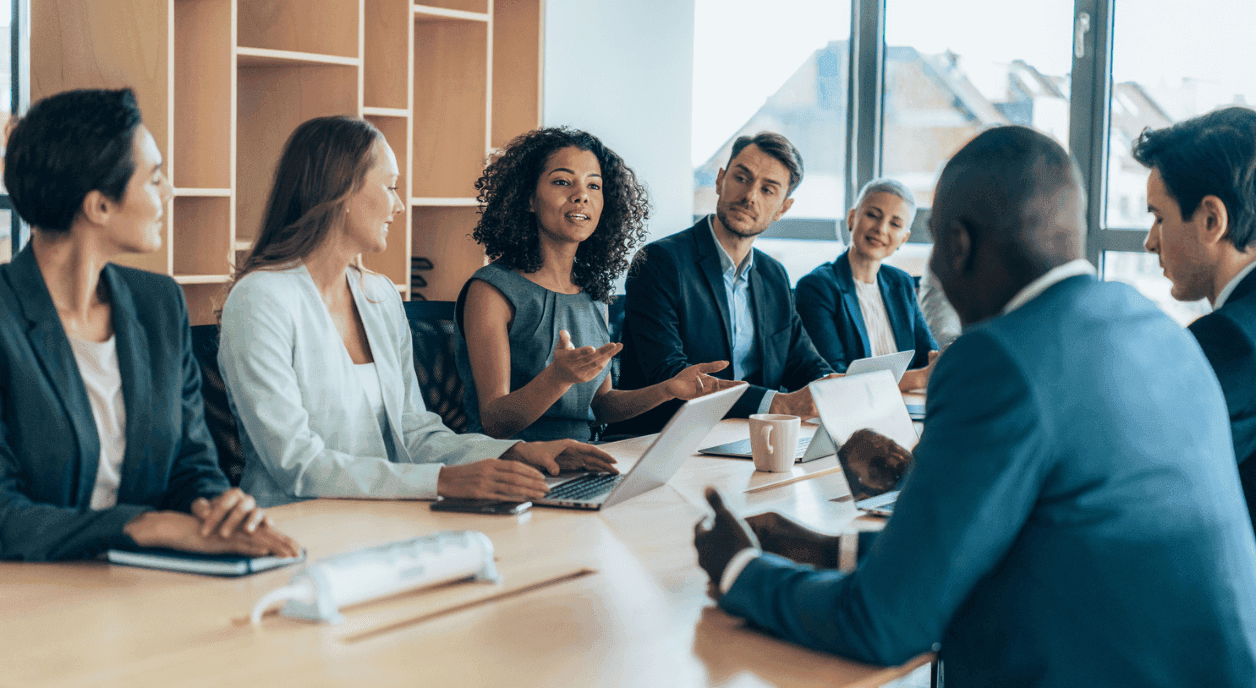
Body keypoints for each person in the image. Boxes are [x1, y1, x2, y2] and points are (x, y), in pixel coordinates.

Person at [694, 126, 1256, 685]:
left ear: (958, 246)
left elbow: (884, 623)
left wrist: (739, 569)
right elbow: (1032, 540)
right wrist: (825, 548)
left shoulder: (997, 358)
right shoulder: (1158, 330)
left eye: (935, 241)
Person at [218, 117, 618, 508]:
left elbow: (414, 432)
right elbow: (296, 463)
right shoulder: (261, 299)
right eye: (390, 187)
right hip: (298, 524)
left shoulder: (378, 295)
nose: (399, 205)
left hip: (386, 513)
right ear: (340, 192)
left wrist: (515, 452)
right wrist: (443, 481)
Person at [0, 88, 298, 561]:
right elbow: (5, 516)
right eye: (155, 178)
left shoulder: (158, 305)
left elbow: (191, 465)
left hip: (143, 588)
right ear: (99, 206)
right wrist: (148, 526)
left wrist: (219, 508)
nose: (170, 191)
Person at [456, 127, 739, 441]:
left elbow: (600, 406)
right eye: (562, 181)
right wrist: (557, 378)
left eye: (594, 185)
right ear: (528, 198)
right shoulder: (490, 291)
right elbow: (495, 421)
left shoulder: (593, 293)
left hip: (582, 460)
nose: (582, 195)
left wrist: (668, 389)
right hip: (512, 467)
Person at [617, 132, 834, 434]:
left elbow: (804, 363)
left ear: (782, 208)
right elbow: (669, 374)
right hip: (666, 438)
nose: (750, 196)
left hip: (750, 439)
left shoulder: (774, 276)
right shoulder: (660, 262)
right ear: (720, 181)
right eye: (742, 178)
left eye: (768, 190)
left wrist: (833, 387)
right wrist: (778, 404)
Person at [1136, 106, 1256, 532]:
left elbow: (1142, 474)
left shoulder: (1232, 340)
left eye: (1159, 217)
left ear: (1211, 220)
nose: (1151, 242)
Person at [796, 178, 938, 391]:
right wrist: (918, 379)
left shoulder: (901, 283)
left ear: (903, 239)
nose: (881, 229)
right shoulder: (817, 287)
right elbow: (835, 377)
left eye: (895, 224)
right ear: (852, 218)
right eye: (873, 215)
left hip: (902, 407)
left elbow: (927, 358)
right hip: (848, 411)